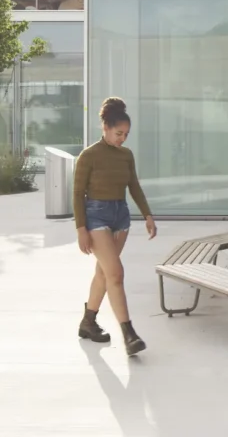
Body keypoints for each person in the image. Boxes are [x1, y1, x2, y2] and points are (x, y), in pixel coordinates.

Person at [73, 97, 157, 355]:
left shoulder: (126, 155)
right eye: (119, 133)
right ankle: (129, 334)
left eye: (126, 134)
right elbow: (77, 194)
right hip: (96, 217)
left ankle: (88, 323)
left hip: (120, 217)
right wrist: (81, 229)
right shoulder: (88, 156)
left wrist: (147, 215)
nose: (123, 138)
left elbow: (134, 186)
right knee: (116, 274)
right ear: (106, 128)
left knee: (105, 273)